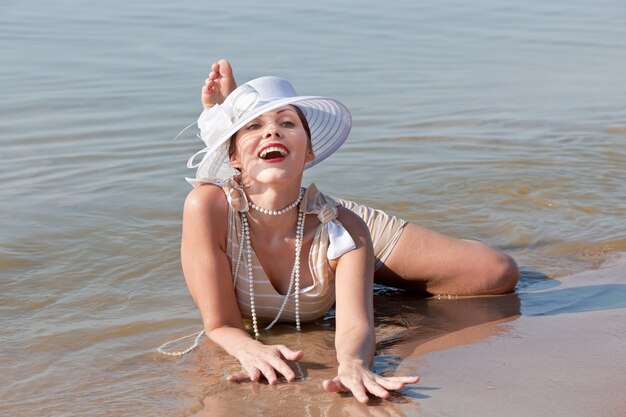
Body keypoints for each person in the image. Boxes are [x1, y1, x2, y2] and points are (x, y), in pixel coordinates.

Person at [178, 59, 519, 403]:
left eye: (286, 123)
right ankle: (349, 280)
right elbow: (221, 325)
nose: (272, 132)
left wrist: (354, 363)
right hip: (277, 218)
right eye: (254, 126)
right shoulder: (208, 208)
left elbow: (355, 327)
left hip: (331, 231)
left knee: (496, 274)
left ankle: (356, 275)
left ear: (309, 152)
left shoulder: (346, 228)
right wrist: (248, 348)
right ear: (233, 157)